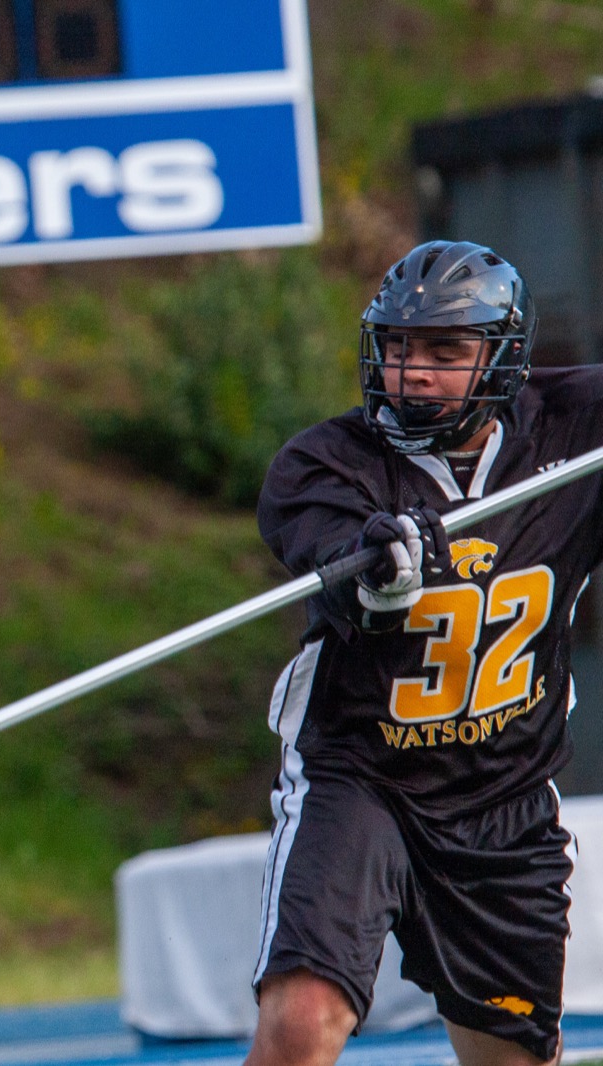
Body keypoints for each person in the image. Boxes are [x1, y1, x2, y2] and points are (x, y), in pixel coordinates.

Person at [247, 239, 597, 1066]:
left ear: (502, 358)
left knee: (510, 1056)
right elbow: (327, 551)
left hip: (503, 795)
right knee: (301, 1023)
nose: (415, 373)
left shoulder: (577, 426)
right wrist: (377, 571)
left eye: (445, 351)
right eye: (399, 347)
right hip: (362, 780)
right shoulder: (324, 464)